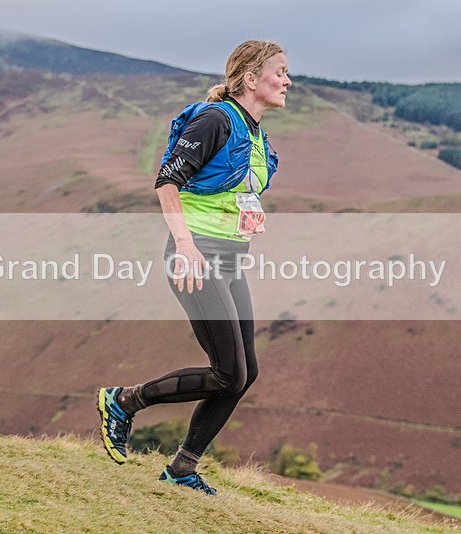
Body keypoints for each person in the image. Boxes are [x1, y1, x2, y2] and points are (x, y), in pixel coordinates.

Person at [98, 40, 291, 495]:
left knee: (245, 374)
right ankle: (124, 401)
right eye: (280, 71)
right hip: (196, 256)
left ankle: (183, 468)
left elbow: (228, 191)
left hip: (230, 260)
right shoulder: (214, 120)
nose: (288, 81)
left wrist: (246, 217)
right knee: (227, 371)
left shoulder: (255, 133)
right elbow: (168, 182)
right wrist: (185, 244)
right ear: (250, 78)